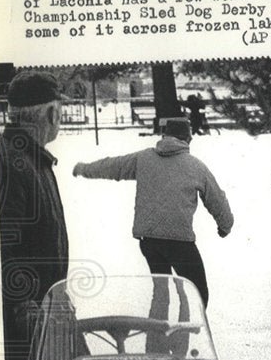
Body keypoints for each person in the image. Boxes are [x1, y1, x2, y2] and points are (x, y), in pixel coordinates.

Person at [73, 117, 232, 308]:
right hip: (180, 242)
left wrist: (84, 169)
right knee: (197, 292)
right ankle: (189, 332)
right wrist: (225, 226)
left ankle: (157, 333)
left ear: (165, 136)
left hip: (149, 241)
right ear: (188, 139)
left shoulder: (143, 159)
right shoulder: (196, 166)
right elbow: (217, 198)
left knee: (161, 292)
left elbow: (113, 166)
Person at [0, 70, 71, 360]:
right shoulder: (15, 164)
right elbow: (2, 243)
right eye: (59, 111)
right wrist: (22, 304)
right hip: (24, 328)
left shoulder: (31, 160)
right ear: (50, 114)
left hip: (42, 318)